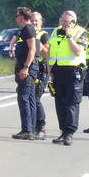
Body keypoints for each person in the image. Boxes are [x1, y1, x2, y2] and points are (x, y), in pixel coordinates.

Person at [48, 10, 88, 146]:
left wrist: (70, 36)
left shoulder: (82, 33)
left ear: (74, 22)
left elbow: (78, 51)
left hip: (73, 71)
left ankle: (70, 133)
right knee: (60, 103)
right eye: (62, 21)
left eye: (67, 22)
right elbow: (50, 51)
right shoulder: (56, 31)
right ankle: (63, 131)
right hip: (58, 71)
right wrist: (49, 71)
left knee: (71, 103)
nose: (64, 24)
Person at [11, 7, 40, 140]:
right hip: (23, 66)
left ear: (22, 17)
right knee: (29, 98)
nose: (16, 18)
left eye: (17, 15)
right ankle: (30, 129)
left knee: (24, 98)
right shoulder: (23, 30)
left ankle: (27, 130)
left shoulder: (28, 29)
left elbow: (32, 48)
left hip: (27, 68)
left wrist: (26, 67)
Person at [32, 11, 50, 140]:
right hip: (32, 69)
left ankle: (42, 127)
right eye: (32, 20)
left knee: (36, 98)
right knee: (31, 98)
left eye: (36, 21)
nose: (34, 23)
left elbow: (47, 53)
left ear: (40, 22)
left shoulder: (43, 35)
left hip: (42, 70)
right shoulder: (28, 33)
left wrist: (36, 41)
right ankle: (32, 127)